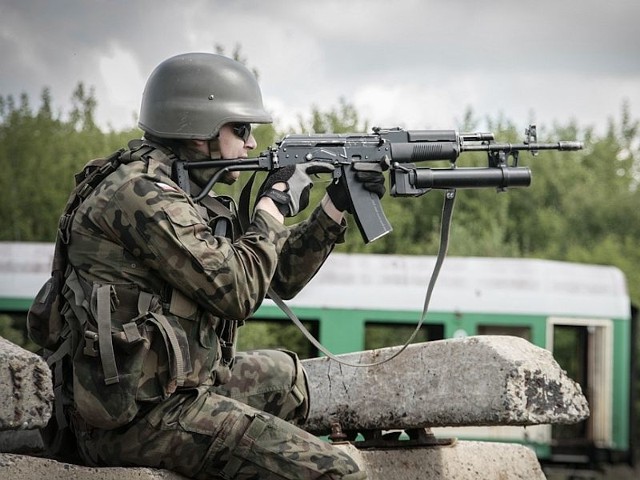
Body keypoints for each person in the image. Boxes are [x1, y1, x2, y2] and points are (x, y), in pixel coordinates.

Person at [51, 52, 383, 479]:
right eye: (240, 129)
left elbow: (277, 275)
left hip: (168, 389)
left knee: (289, 383)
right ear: (197, 127)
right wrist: (271, 206)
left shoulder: (178, 189)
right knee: (338, 471)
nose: (250, 144)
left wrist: (334, 207)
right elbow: (237, 291)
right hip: (129, 420)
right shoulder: (141, 195)